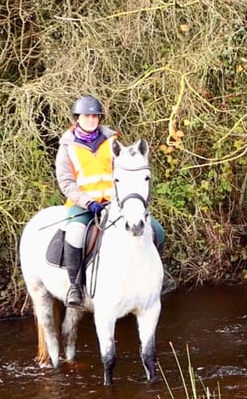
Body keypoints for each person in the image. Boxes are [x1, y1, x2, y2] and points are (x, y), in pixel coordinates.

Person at [56, 95, 166, 306]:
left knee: (157, 230)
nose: (91, 120)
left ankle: (158, 277)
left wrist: (124, 199)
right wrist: (87, 202)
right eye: (86, 116)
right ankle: (75, 287)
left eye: (95, 116)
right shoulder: (67, 146)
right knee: (75, 234)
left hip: (115, 203)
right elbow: (66, 182)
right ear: (77, 118)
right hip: (84, 205)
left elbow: (126, 172)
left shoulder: (112, 142)